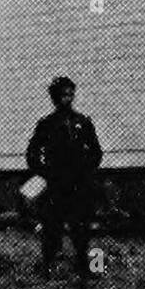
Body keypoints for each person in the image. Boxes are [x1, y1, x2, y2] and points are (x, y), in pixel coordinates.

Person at [26, 76, 103, 278]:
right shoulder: (47, 124)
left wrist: (86, 170)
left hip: (78, 183)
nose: (68, 99)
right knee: (52, 226)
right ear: (55, 98)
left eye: (70, 94)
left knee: (81, 227)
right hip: (56, 184)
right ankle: (47, 265)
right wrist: (45, 172)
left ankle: (87, 266)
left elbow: (96, 151)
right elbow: (32, 153)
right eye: (63, 95)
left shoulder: (83, 123)